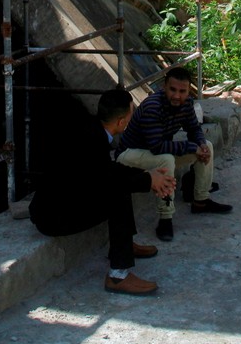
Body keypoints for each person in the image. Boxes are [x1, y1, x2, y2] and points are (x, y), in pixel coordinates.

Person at [29, 88, 175, 295]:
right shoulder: (92, 138)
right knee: (117, 194)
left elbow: (107, 171)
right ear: (121, 122)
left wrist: (147, 174)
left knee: (118, 186)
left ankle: (124, 246)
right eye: (131, 114)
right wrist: (149, 179)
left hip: (61, 203)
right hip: (54, 216)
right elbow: (107, 178)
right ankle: (118, 275)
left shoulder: (92, 128)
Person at [116, 67, 232, 242]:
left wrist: (200, 144)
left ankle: (201, 199)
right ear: (164, 87)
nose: (177, 96)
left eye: (182, 91)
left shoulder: (186, 104)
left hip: (153, 154)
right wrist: (192, 147)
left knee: (206, 144)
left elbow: (193, 128)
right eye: (173, 90)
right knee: (166, 159)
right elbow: (157, 147)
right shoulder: (153, 106)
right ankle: (165, 218)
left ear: (188, 91)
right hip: (129, 156)